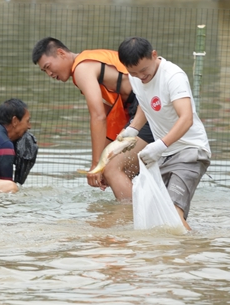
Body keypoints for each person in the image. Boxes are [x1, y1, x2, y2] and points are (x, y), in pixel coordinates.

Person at [31, 37, 154, 200]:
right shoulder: (86, 64)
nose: (49, 74)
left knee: (113, 170)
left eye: (48, 67)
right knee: (115, 169)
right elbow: (110, 114)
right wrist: (102, 160)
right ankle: (132, 213)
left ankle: (128, 219)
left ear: (61, 53)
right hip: (139, 107)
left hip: (145, 106)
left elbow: (98, 116)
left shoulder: (82, 68)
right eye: (44, 71)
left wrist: (97, 164)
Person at [117, 36, 211, 231]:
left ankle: (198, 255)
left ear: (154, 55)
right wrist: (132, 129)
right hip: (164, 156)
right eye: (133, 72)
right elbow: (145, 102)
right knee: (156, 216)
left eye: (143, 70)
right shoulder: (136, 78)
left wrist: (160, 145)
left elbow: (186, 118)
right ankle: (168, 258)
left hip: (189, 151)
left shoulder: (172, 76)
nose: (141, 76)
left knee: (172, 216)